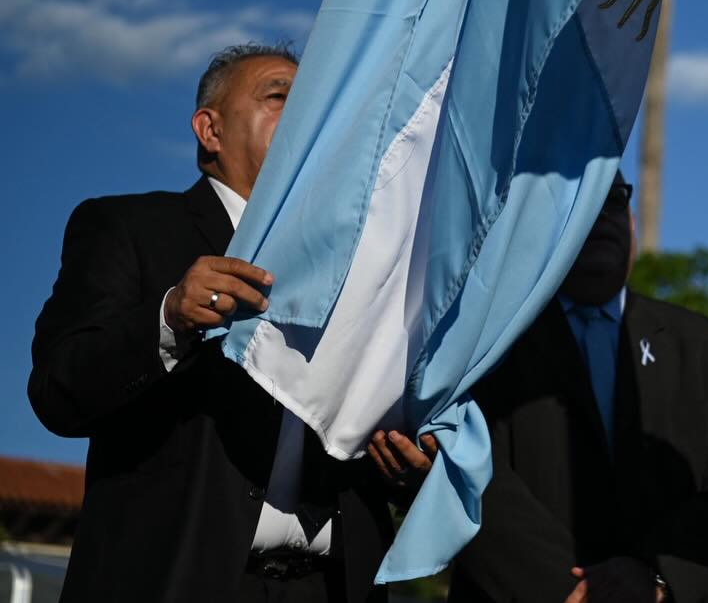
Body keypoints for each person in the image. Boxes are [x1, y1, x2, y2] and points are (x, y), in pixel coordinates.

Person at [29, 43, 429, 603]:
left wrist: (409, 470)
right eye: (279, 96)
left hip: (334, 586)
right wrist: (168, 319)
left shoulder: (368, 262)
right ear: (209, 130)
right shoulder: (130, 226)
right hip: (179, 581)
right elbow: (58, 390)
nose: (308, 111)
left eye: (317, 100)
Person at [446, 174, 708, 603]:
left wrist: (656, 576)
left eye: (615, 200)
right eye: (586, 199)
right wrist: (574, 590)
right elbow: (465, 474)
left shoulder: (706, 351)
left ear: (632, 221)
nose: (603, 217)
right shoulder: (484, 346)